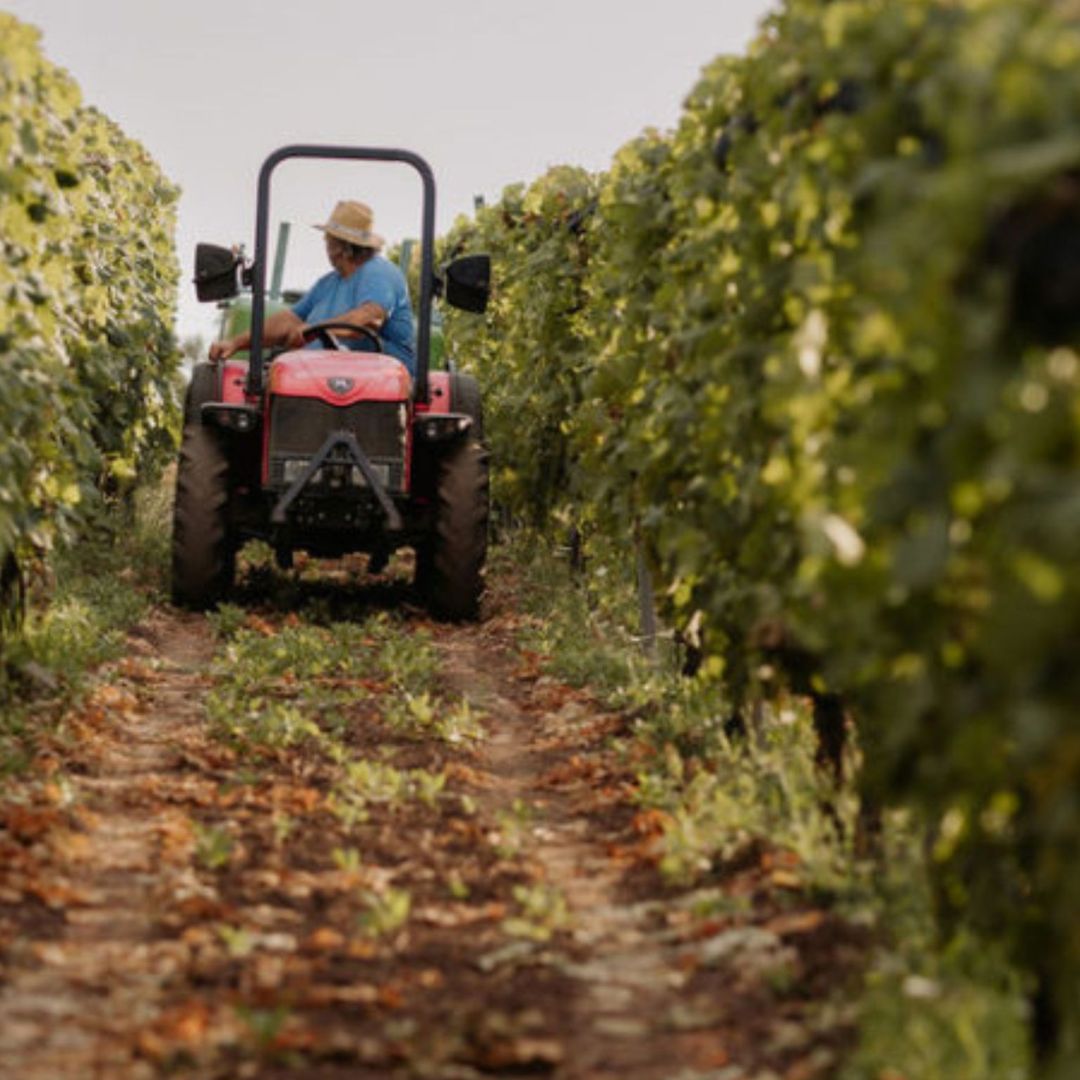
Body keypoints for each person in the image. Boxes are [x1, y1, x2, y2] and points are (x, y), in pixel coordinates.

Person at [209, 200, 417, 375]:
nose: (325, 244)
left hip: (375, 385)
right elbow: (288, 321)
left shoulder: (378, 272)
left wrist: (312, 330)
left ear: (341, 248)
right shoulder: (327, 284)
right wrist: (236, 343)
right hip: (316, 382)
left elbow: (369, 319)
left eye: (328, 239)